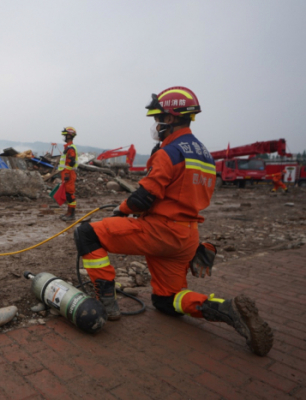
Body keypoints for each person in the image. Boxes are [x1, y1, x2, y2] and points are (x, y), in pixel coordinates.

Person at [74, 87, 273, 356]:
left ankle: (107, 302)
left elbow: (145, 196)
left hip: (160, 232)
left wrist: (121, 211)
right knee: (167, 301)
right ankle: (226, 309)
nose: (155, 125)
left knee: (87, 234)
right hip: (187, 238)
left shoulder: (170, 152)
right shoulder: (205, 155)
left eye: (158, 118)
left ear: (170, 119)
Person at [58, 127, 78, 221]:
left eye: (65, 135)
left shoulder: (70, 148)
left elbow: (71, 162)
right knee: (67, 194)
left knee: (70, 194)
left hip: (69, 174)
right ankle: (69, 213)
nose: (64, 137)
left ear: (69, 135)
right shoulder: (68, 147)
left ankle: (71, 214)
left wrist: (66, 173)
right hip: (67, 173)